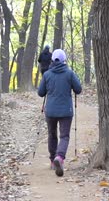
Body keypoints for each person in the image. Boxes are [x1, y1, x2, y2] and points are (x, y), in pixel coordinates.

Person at [37, 49, 82, 177]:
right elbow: (78, 89)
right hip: (66, 111)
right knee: (64, 136)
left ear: (52, 60)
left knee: (52, 135)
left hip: (50, 111)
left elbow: (40, 93)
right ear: (64, 60)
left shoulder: (47, 75)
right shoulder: (69, 73)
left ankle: (52, 161)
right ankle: (60, 157)